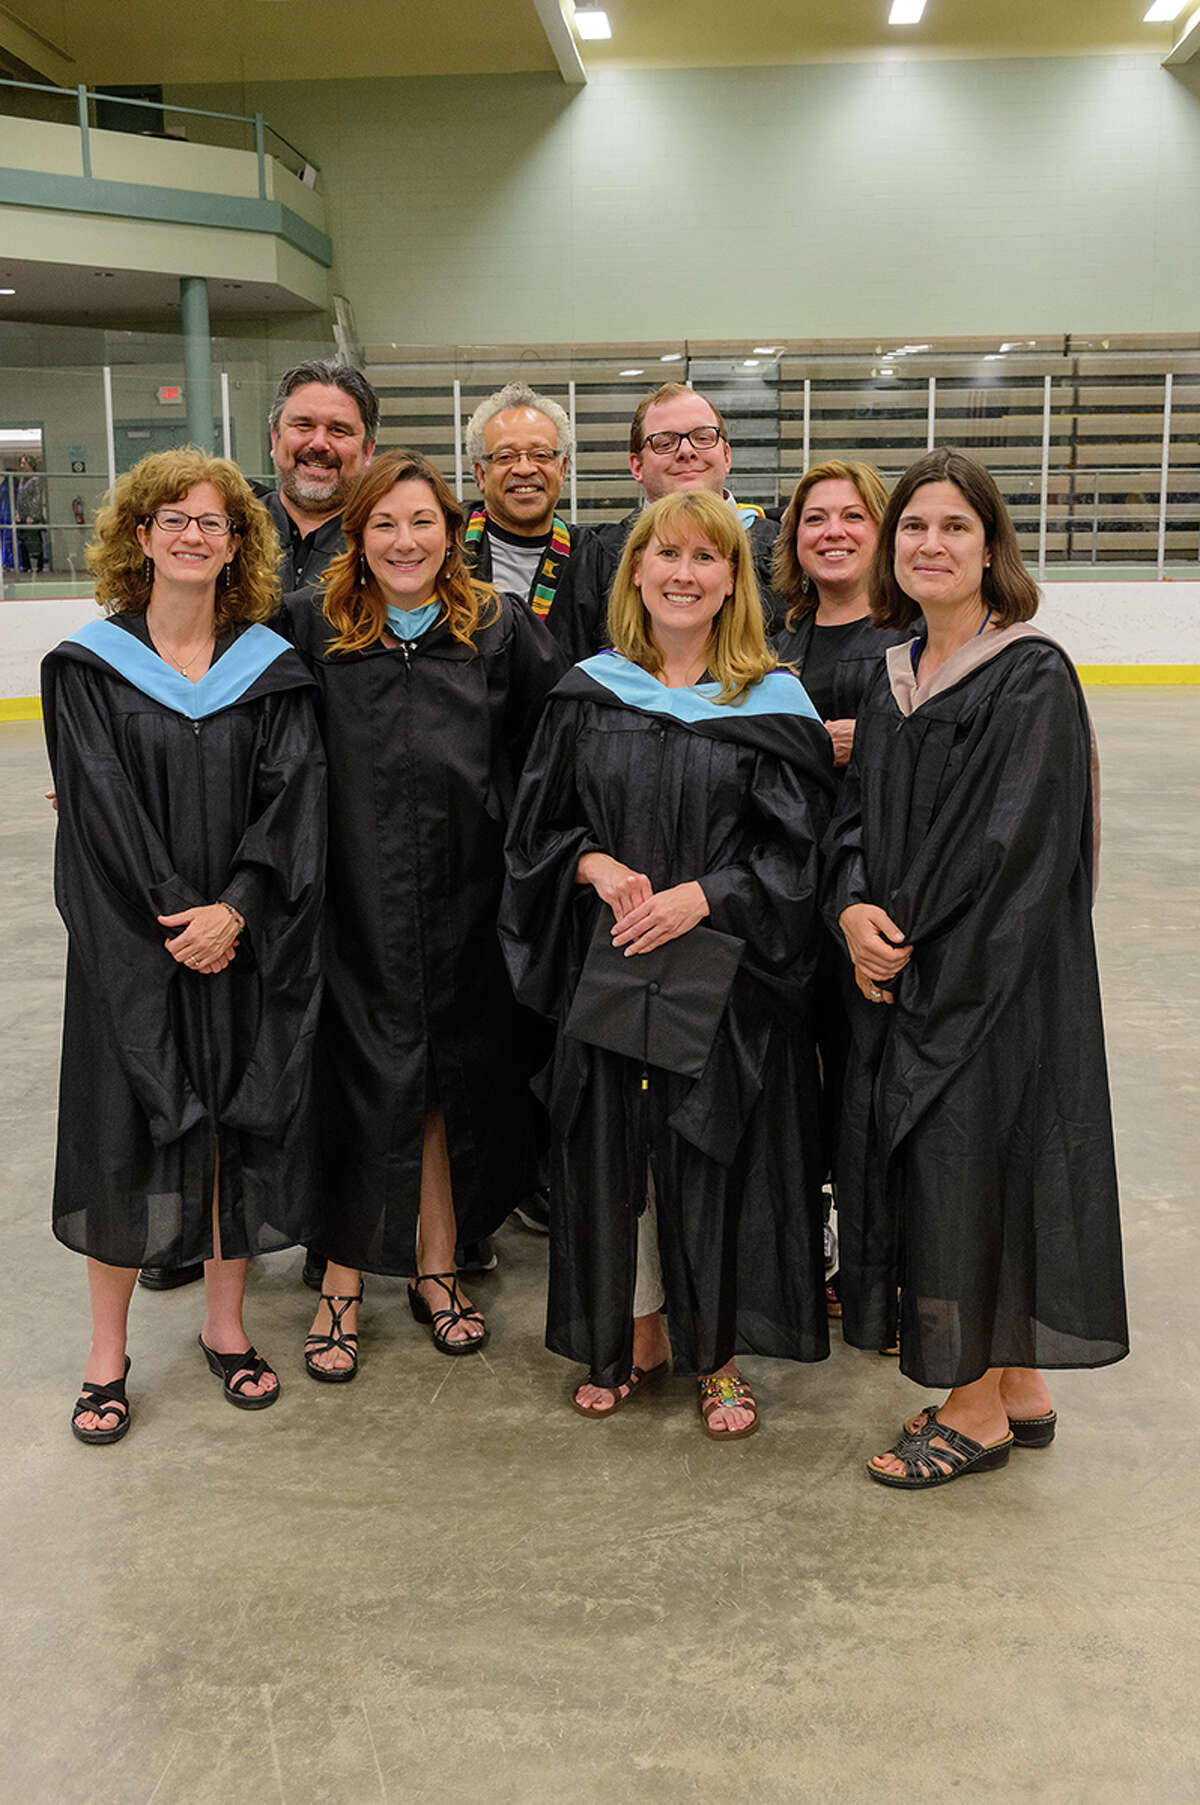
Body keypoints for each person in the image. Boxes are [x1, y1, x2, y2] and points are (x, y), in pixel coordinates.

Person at [824, 448, 1128, 1489]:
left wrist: (914, 959)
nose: (931, 544)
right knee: (974, 1166)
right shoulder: (891, 670)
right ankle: (1019, 1382)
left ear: (991, 545)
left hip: (993, 980)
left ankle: (972, 1407)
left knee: (976, 1168)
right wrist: (853, 904)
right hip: (906, 960)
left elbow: (1013, 852)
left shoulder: (1029, 672)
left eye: (955, 526)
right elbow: (854, 816)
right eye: (914, 527)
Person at [503, 489, 835, 1439]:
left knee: (708, 1154)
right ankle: (634, 1333)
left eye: (706, 557)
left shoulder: (771, 700)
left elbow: (797, 858)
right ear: (635, 571)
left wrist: (705, 895)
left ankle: (717, 1354)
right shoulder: (590, 691)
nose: (684, 573)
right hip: (609, 966)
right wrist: (595, 863)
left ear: (734, 579)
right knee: (611, 1157)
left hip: (724, 977)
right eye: (667, 555)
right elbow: (536, 833)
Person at [42, 448, 326, 1444]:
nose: (195, 533)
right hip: (131, 947)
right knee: (122, 1134)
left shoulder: (271, 670)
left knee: (232, 1133)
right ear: (144, 534)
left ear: (238, 542)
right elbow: (99, 810)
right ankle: (107, 1353)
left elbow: (294, 803)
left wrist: (236, 910)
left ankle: (224, 1326)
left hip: (240, 941)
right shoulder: (87, 666)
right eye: (176, 518)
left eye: (216, 520)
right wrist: (179, 916)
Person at [283, 450, 566, 1381]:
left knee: (447, 1083)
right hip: (348, 898)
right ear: (357, 538)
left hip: (465, 900)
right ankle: (341, 1280)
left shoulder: (495, 627)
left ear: (452, 531)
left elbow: (547, 750)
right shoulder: (309, 627)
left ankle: (438, 1270)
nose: (404, 541)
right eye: (383, 525)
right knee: (351, 1082)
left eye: (422, 522)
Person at [771, 461, 912, 1313]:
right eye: (815, 517)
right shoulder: (777, 638)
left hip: (872, 891)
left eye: (852, 516)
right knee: (804, 1086)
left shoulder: (911, 639)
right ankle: (808, 1256)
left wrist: (886, 740)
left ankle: (879, 1272)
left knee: (870, 1083)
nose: (832, 530)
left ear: (880, 528)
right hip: (788, 891)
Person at [549, 382, 782, 663]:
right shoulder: (598, 557)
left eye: (703, 437)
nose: (686, 451)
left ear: (727, 456)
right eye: (665, 442)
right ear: (637, 466)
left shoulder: (783, 549)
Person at [464, 381, 577, 622]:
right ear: (481, 474)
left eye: (541, 455)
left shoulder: (596, 560)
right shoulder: (446, 546)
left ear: (562, 469)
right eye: (505, 457)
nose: (525, 469)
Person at [264, 359, 378, 594]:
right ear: (275, 439)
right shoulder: (229, 533)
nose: (319, 444)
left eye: (338, 430)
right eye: (303, 425)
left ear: (367, 451)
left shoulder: (385, 547)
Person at [17, 454, 47, 574]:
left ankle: (38, 566)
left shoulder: (36, 480)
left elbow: (36, 498)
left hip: (32, 516)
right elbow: (19, 497)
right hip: (23, 515)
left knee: (35, 540)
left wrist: (33, 516)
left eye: (24, 463)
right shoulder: (22, 479)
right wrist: (18, 513)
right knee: (23, 541)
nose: (21, 466)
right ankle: (26, 565)